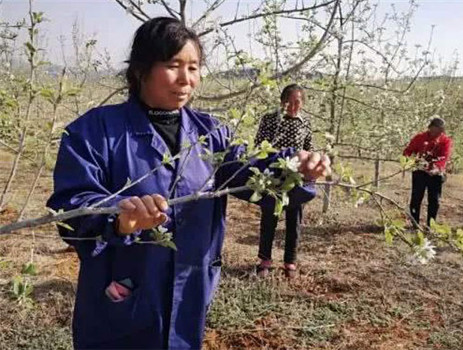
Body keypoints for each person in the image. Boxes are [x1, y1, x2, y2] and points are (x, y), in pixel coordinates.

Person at [46, 18, 330, 350]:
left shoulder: (210, 135)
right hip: (118, 298)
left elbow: (252, 173)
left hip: (188, 295)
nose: (186, 79)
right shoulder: (95, 132)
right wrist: (119, 220)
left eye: (194, 68)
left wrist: (297, 169)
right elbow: (71, 207)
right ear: (141, 69)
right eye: (173, 65)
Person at [254, 84, 312, 278]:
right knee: (269, 219)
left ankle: (290, 262)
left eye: (297, 102)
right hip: (272, 177)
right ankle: (264, 261)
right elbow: (259, 146)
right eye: (289, 102)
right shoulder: (270, 120)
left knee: (294, 221)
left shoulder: (305, 124)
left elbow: (309, 151)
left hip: (295, 180)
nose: (293, 107)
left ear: (302, 103)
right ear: (282, 101)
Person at [403, 117, 452, 227]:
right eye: (436, 129)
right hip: (420, 171)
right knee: (416, 198)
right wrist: (413, 161)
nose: (438, 133)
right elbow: (408, 152)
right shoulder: (419, 138)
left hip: (435, 173)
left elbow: (444, 157)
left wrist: (437, 168)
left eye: (441, 130)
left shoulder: (445, 141)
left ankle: (431, 225)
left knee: (434, 200)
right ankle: (414, 224)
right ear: (430, 128)